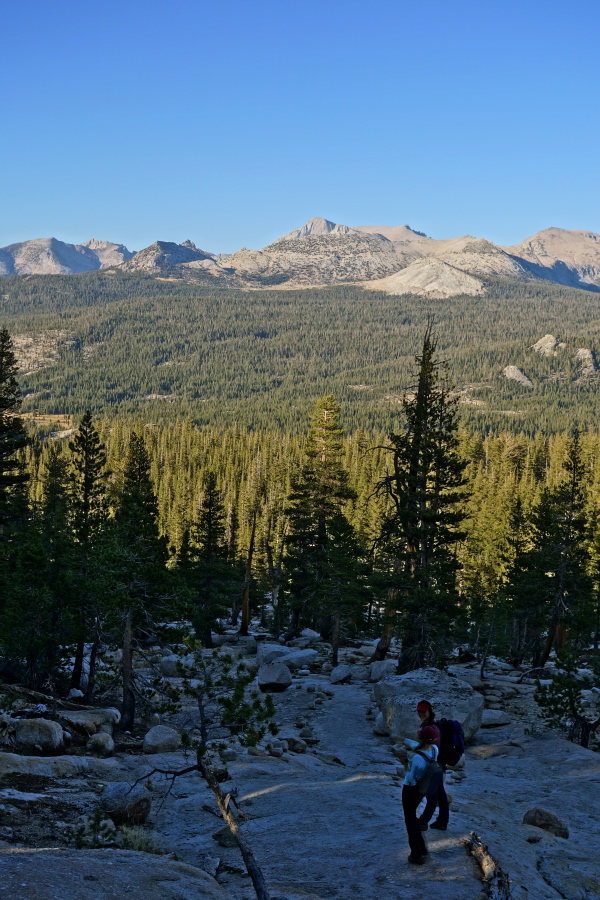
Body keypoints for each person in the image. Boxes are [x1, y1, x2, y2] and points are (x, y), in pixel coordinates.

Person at [396, 724, 439, 865]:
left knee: (409, 819)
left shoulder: (415, 758)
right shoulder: (434, 749)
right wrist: (404, 740)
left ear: (420, 736)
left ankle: (416, 854)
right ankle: (422, 848)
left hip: (411, 789)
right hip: (423, 788)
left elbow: (410, 777)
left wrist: (404, 764)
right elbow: (418, 745)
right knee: (412, 816)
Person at [414, 700, 449, 832]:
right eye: (419, 711)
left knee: (431, 795)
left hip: (433, 765)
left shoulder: (428, 728)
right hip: (440, 764)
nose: (421, 713)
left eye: (423, 711)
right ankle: (442, 821)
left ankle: (422, 822)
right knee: (440, 794)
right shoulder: (435, 724)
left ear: (429, 711)